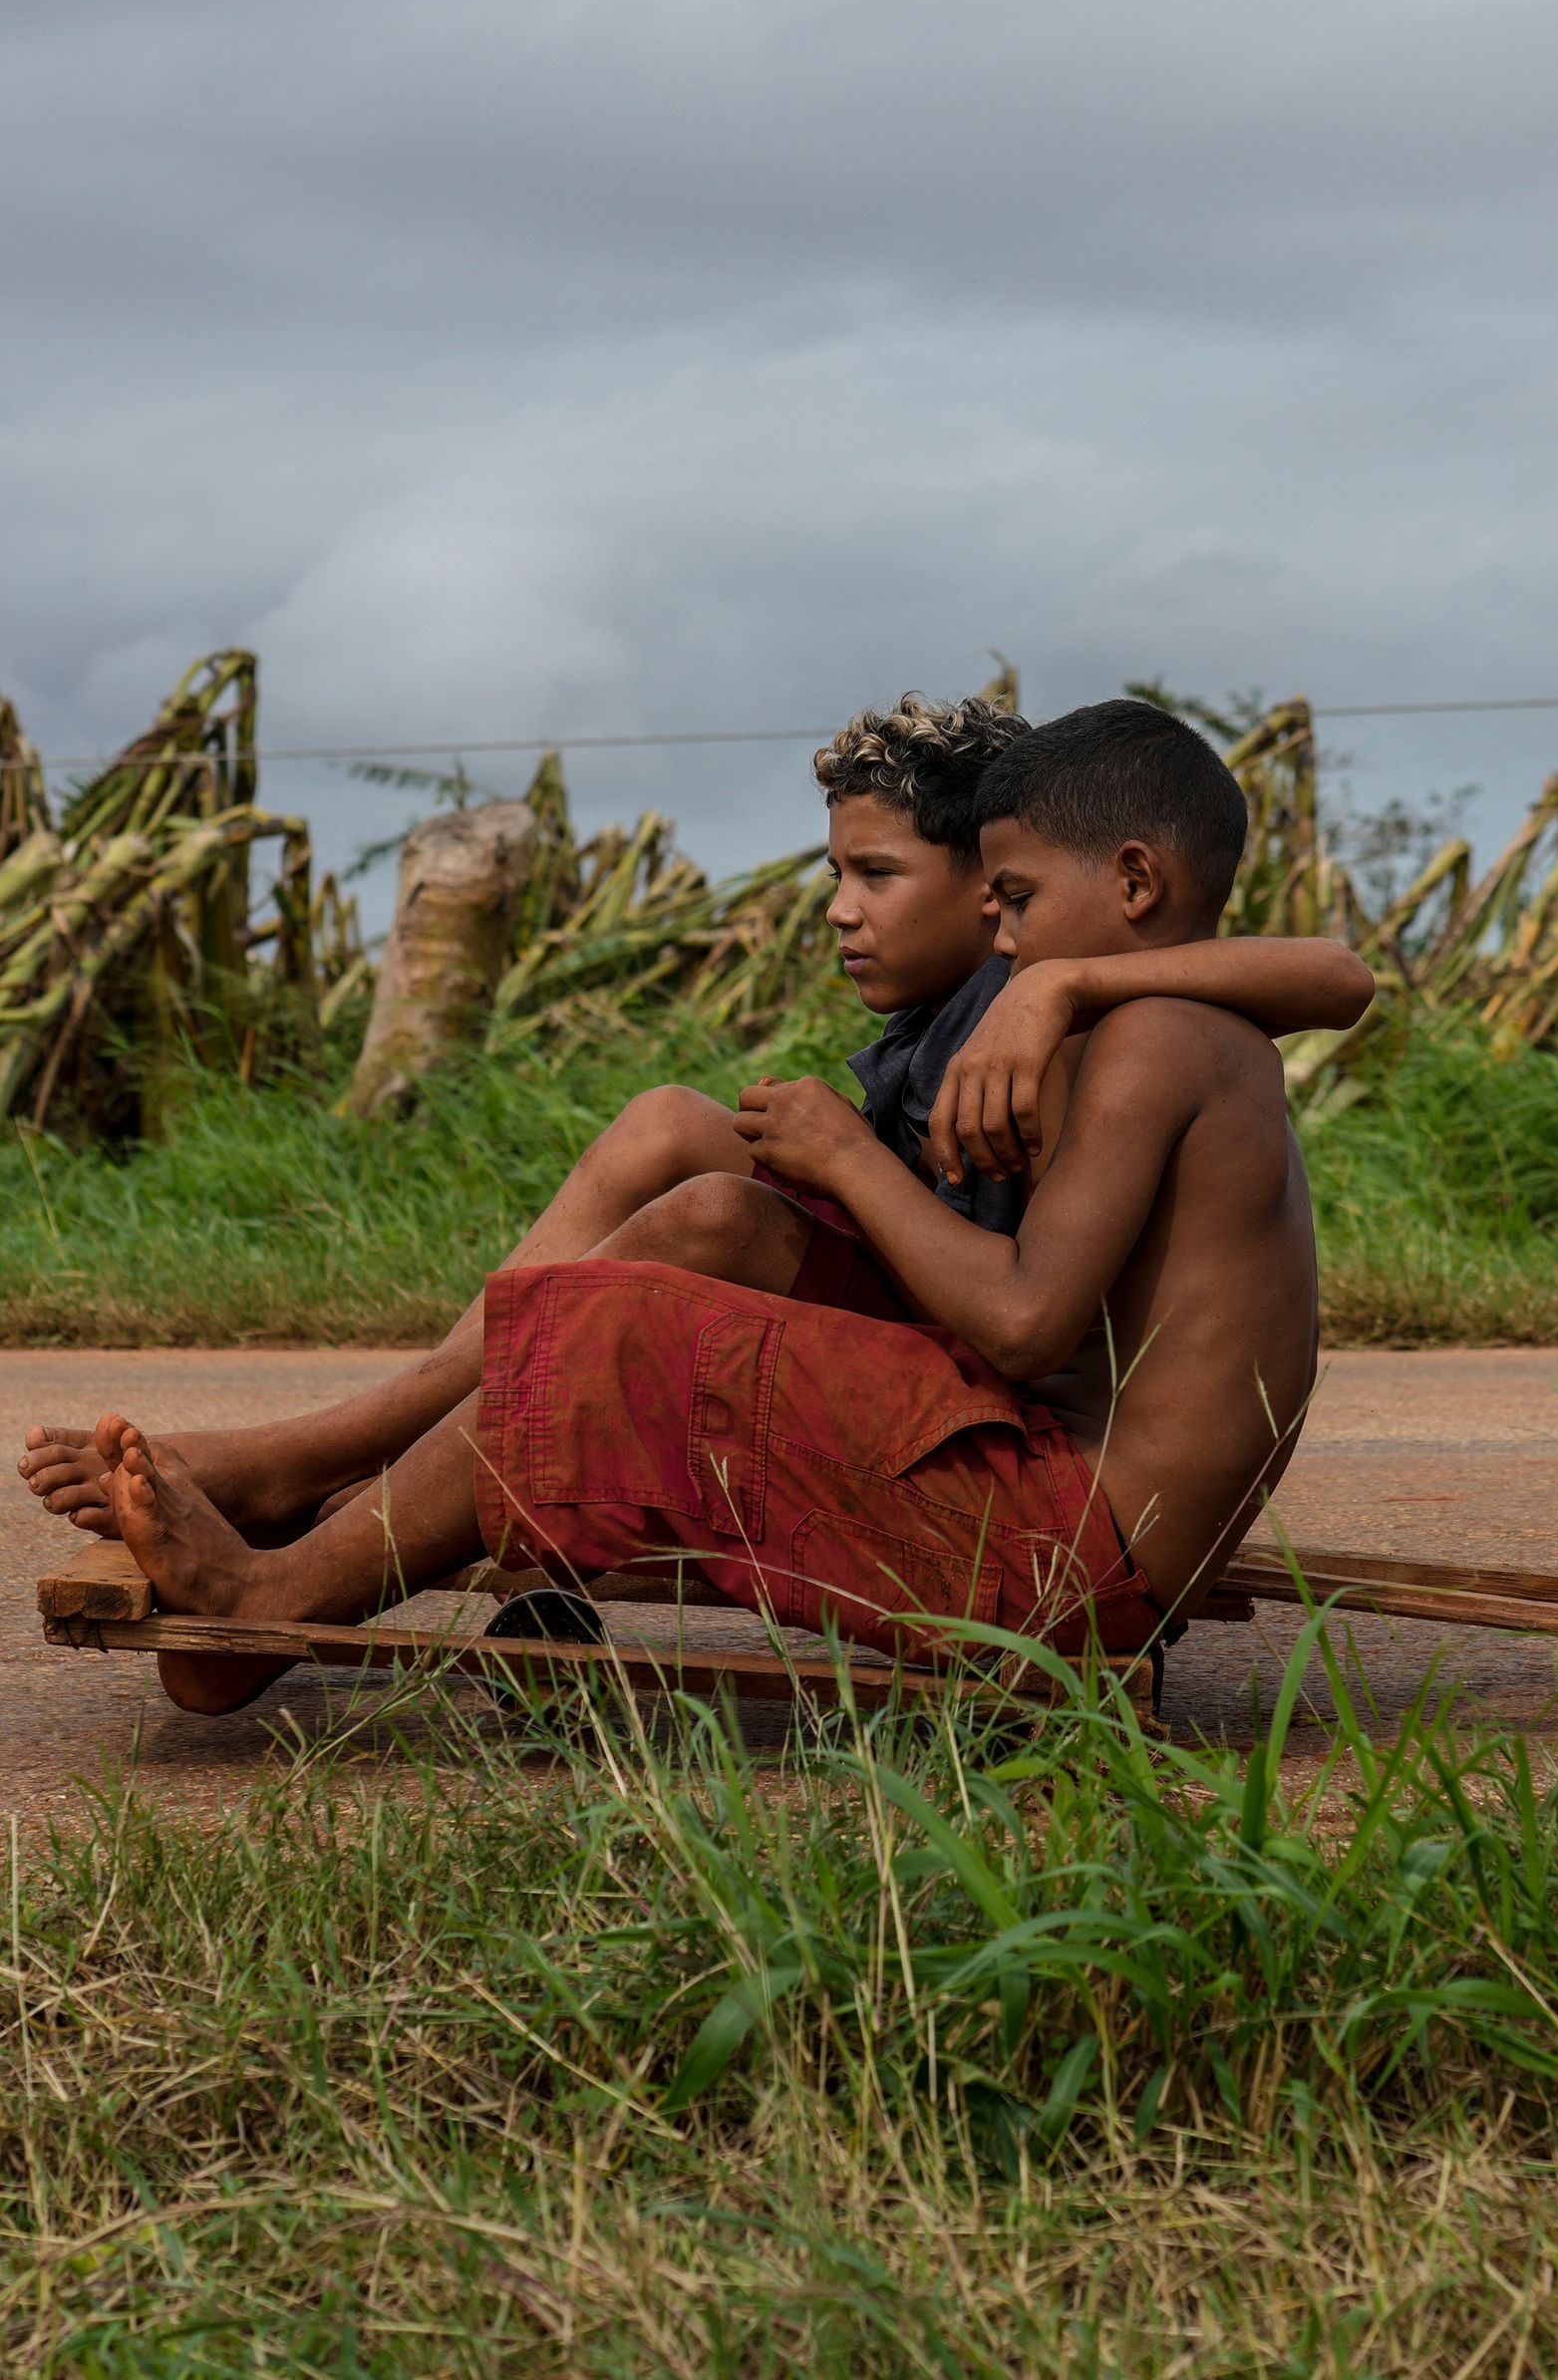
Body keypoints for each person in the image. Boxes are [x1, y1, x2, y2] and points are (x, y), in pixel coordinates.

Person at [73, 697, 1358, 1714]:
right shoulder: (1171, 1023)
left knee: (623, 1330)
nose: (1005, 936)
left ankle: (282, 1595)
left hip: (1063, 1572)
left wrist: (859, 1155)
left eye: (1015, 903)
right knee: (675, 1255)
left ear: (1133, 881)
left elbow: (1021, 1330)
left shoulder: (1156, 1041)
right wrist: (1057, 992)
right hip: (1071, 1536)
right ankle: (324, 1525)